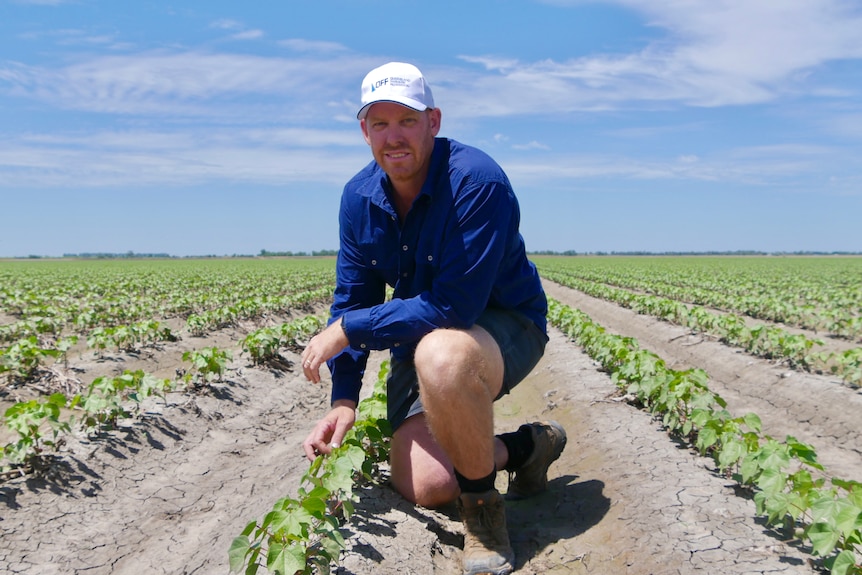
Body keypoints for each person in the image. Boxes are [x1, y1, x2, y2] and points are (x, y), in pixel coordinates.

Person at [300, 61, 567, 575]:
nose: (393, 136)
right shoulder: (358, 199)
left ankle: (484, 517)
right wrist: (344, 400)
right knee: (429, 485)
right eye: (379, 124)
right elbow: (353, 295)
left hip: (505, 322)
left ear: (434, 122)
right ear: (364, 131)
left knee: (443, 356)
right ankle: (528, 446)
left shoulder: (476, 181)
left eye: (406, 120)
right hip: (422, 332)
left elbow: (453, 308)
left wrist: (351, 328)